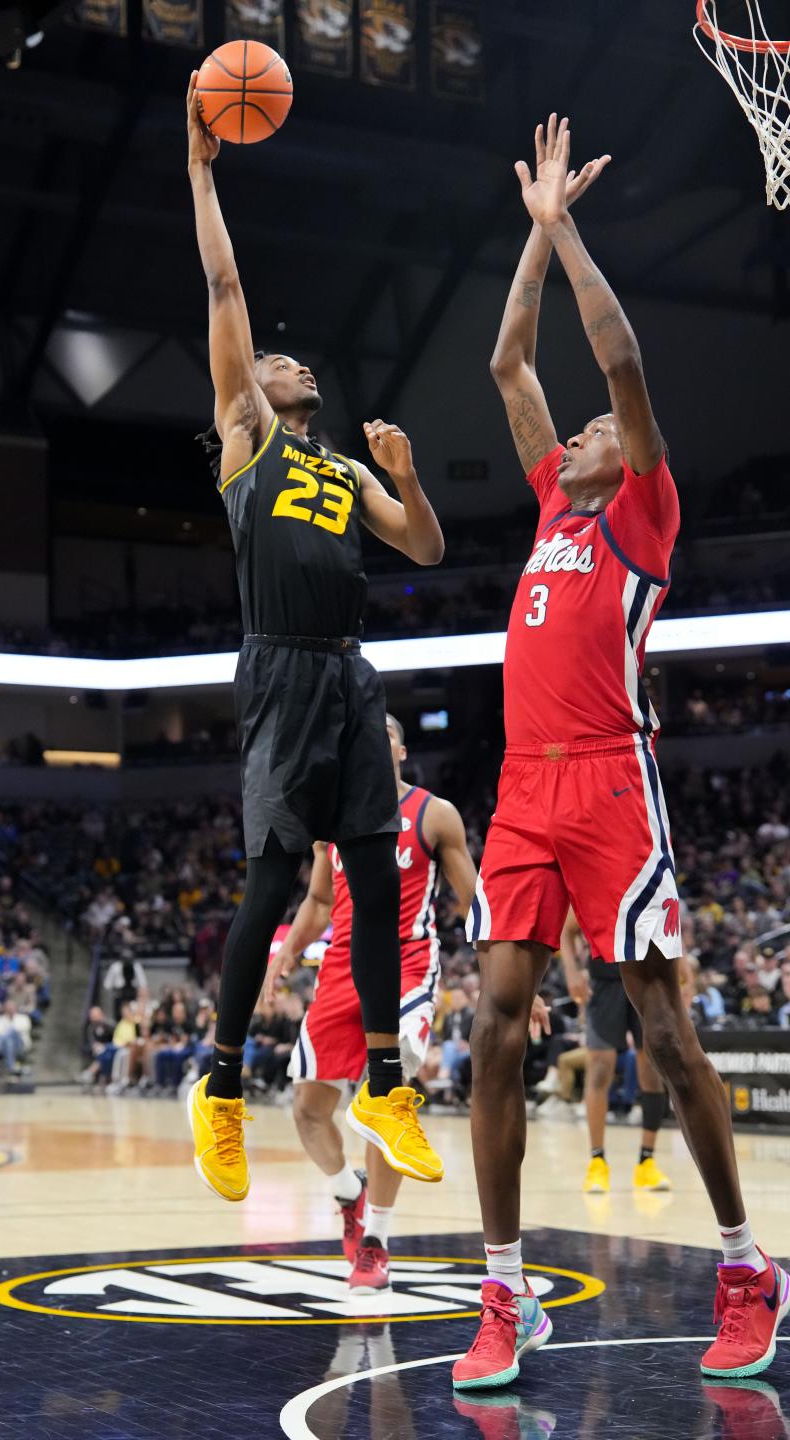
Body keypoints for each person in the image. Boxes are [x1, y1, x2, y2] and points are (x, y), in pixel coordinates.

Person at [455, 115, 788, 1392]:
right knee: (492, 1032)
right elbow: (507, 360)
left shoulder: (642, 510)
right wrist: (528, 242)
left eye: (598, 427)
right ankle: (504, 1290)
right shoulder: (552, 498)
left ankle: (748, 1265)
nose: (586, 427)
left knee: (661, 1029)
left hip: (610, 775)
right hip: (524, 788)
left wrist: (569, 227)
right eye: (580, 429)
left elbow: (623, 360)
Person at [185, 72, 446, 1203]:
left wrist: (407, 478)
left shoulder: (342, 468)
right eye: (280, 360)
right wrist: (200, 169)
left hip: (348, 671)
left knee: (381, 872)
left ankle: (387, 1079)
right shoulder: (248, 435)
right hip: (282, 666)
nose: (294, 364)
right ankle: (221, 1082)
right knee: (279, 873)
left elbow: (426, 550)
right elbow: (227, 279)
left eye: (299, 364)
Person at [262, 714, 479, 1291]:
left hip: (407, 967)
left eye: (382, 735)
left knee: (385, 1107)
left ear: (401, 750)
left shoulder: (436, 814)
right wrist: (283, 955)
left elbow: (475, 902)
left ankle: (376, 1241)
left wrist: (513, 983)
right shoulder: (331, 821)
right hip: (339, 972)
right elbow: (315, 900)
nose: (369, 743)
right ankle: (348, 1194)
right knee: (307, 1109)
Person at [558, 908, 671, 1194]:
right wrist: (571, 970)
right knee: (599, 1067)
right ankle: (597, 1160)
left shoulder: (646, 872)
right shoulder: (593, 876)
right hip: (604, 980)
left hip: (646, 976)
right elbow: (566, 930)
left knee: (651, 1069)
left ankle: (647, 1161)